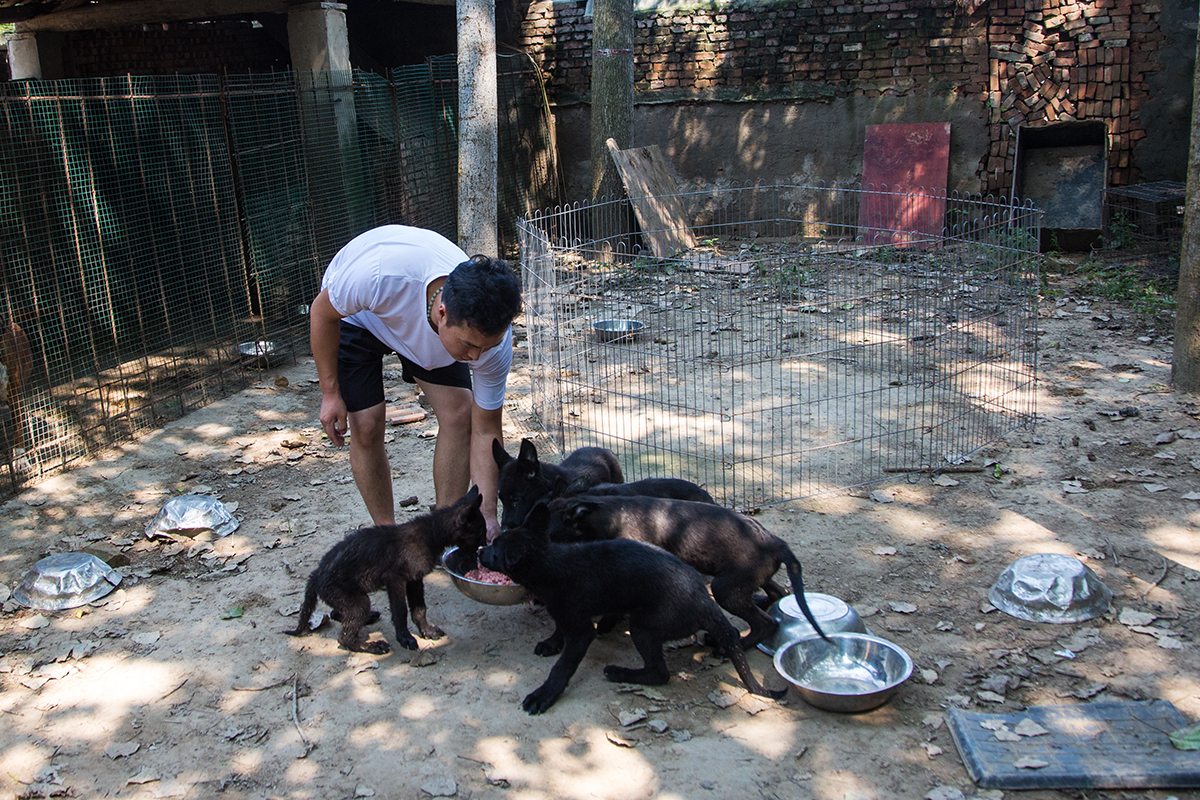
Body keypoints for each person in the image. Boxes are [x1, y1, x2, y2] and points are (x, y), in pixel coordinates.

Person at [309, 225, 523, 540]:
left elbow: (486, 429)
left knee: (460, 414)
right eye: (469, 345)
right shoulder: (379, 275)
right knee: (367, 424)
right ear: (442, 313)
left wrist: (487, 513)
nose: (476, 357)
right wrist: (330, 393)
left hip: (421, 328)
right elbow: (321, 312)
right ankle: (388, 538)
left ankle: (446, 530)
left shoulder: (490, 341)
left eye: (485, 348)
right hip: (360, 317)